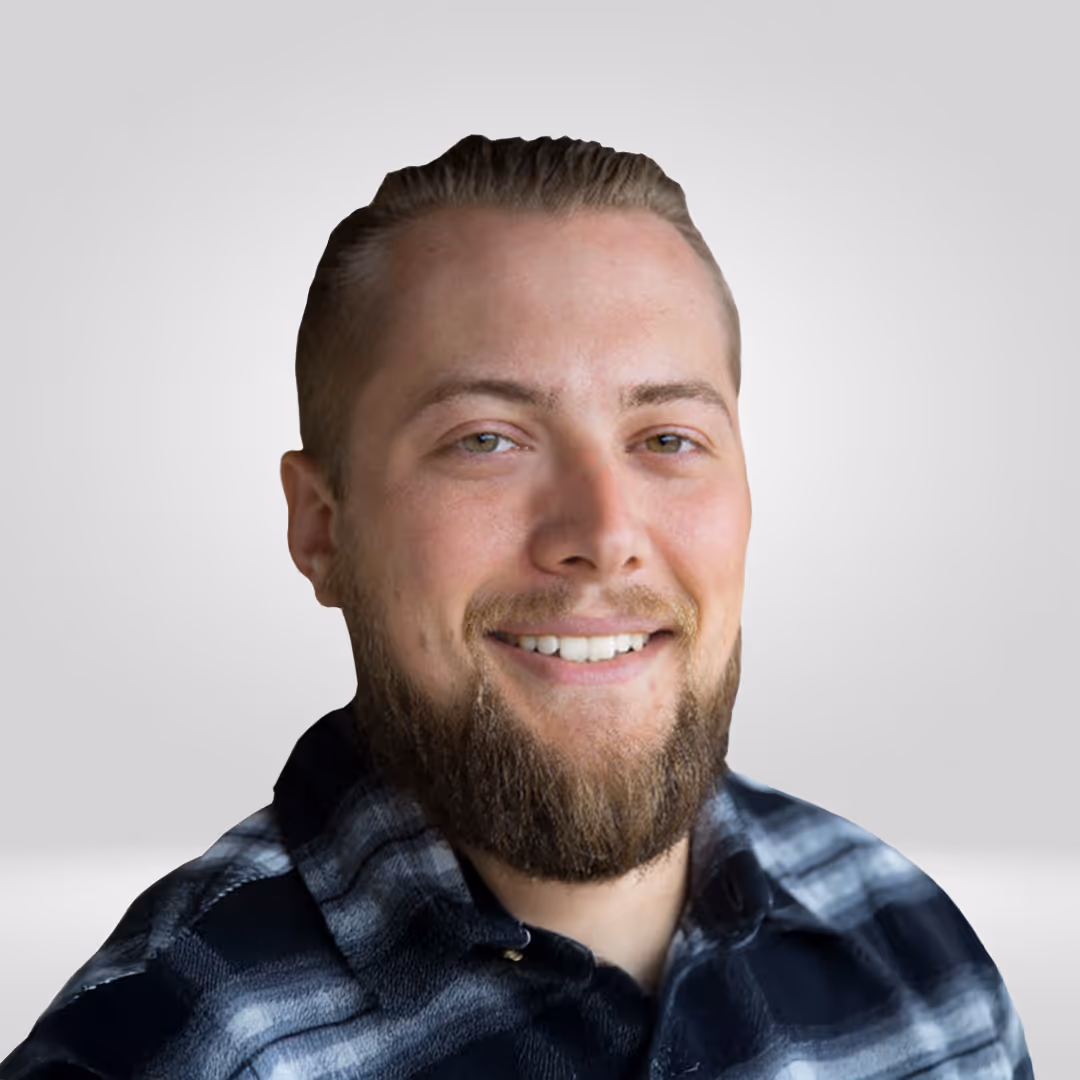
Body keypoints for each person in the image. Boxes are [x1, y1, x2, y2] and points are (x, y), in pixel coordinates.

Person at [0, 135, 1033, 1079]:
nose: (603, 529)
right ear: (322, 529)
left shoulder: (914, 950)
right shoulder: (160, 1044)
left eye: (669, 437)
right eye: (485, 439)